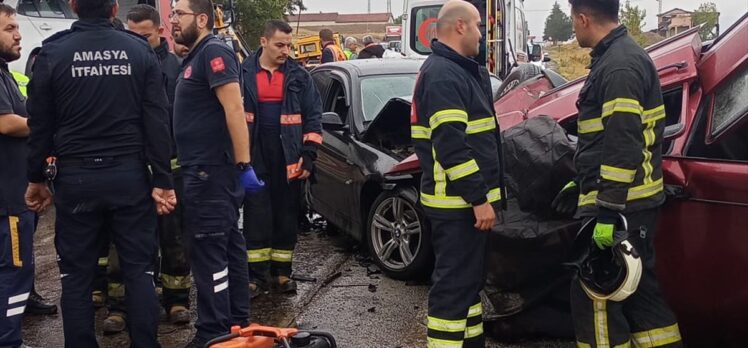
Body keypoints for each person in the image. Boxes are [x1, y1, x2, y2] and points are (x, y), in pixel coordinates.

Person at [24, 0, 176, 345]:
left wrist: (35, 179)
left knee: (76, 277)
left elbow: (40, 126)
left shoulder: (53, 53)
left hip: (76, 179)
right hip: (129, 177)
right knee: (139, 271)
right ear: (115, 8)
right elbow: (156, 120)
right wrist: (163, 181)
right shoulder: (139, 51)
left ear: (73, 6)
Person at [551, 0, 682, 347]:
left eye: (573, 22)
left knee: (597, 296)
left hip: (621, 208)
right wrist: (581, 179)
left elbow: (623, 143)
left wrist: (607, 209)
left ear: (583, 18)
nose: (574, 29)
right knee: (639, 296)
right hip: (634, 204)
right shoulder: (619, 58)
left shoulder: (619, 66)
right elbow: (607, 137)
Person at [410, 1, 504, 347]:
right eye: (479, 25)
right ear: (460, 26)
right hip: (457, 204)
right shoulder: (444, 74)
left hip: (461, 202)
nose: (483, 34)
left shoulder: (457, 70)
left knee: (468, 285)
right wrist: (479, 198)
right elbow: (452, 147)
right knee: (453, 289)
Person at [169, 0, 257, 345]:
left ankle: (213, 331)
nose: (173, 20)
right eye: (173, 13)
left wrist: (243, 164)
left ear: (202, 19)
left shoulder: (213, 52)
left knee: (208, 253)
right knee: (229, 246)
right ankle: (236, 322)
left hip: (210, 172)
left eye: (179, 13)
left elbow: (234, 108)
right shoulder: (196, 55)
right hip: (205, 170)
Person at [241, 20, 323, 298]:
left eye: (289, 45)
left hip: (288, 157)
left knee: (286, 217)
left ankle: (282, 274)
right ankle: (255, 277)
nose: (286, 50)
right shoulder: (242, 74)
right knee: (256, 215)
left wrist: (309, 156)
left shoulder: (300, 77)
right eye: (279, 44)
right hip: (255, 155)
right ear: (263, 42)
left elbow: (313, 119)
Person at [127, 3, 191, 326]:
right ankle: (124, 304)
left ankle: (176, 300)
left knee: (174, 235)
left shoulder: (177, 68)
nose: (138, 42)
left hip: (172, 166)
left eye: (145, 36)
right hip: (132, 167)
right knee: (127, 236)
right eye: (132, 36)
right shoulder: (124, 67)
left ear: (160, 32)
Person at [0, 5, 40, 347]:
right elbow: (5, 122)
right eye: (9, 28)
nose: (18, 34)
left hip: (12, 195)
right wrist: (46, 128)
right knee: (13, 275)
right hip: (8, 201)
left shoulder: (5, 72)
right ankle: (8, 341)